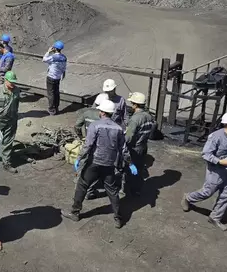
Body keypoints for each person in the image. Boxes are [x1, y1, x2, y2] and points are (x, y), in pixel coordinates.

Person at [62, 99, 134, 229]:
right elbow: (123, 149)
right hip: (109, 164)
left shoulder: (95, 125)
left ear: (102, 112)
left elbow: (88, 145)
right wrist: (130, 163)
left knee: (82, 185)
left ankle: (75, 212)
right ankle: (118, 218)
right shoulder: (118, 129)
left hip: (94, 162)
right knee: (112, 191)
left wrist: (79, 158)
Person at [0, 71, 20, 174]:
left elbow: (17, 104)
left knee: (8, 142)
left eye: (14, 82)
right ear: (5, 80)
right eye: (10, 82)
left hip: (11, 120)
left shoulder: (17, 91)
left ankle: (6, 163)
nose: (12, 84)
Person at [124, 92, 156, 196]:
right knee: (139, 168)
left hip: (134, 148)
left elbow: (128, 138)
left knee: (129, 169)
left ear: (135, 104)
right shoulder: (149, 116)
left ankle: (127, 191)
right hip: (143, 146)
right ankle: (137, 189)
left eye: (132, 103)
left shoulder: (135, 119)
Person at [42, 41, 67, 115]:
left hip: (51, 77)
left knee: (51, 93)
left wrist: (48, 52)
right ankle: (56, 108)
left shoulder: (53, 57)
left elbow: (44, 59)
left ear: (55, 48)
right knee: (56, 93)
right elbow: (64, 68)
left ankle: (51, 110)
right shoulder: (64, 57)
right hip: (58, 77)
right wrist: (63, 74)